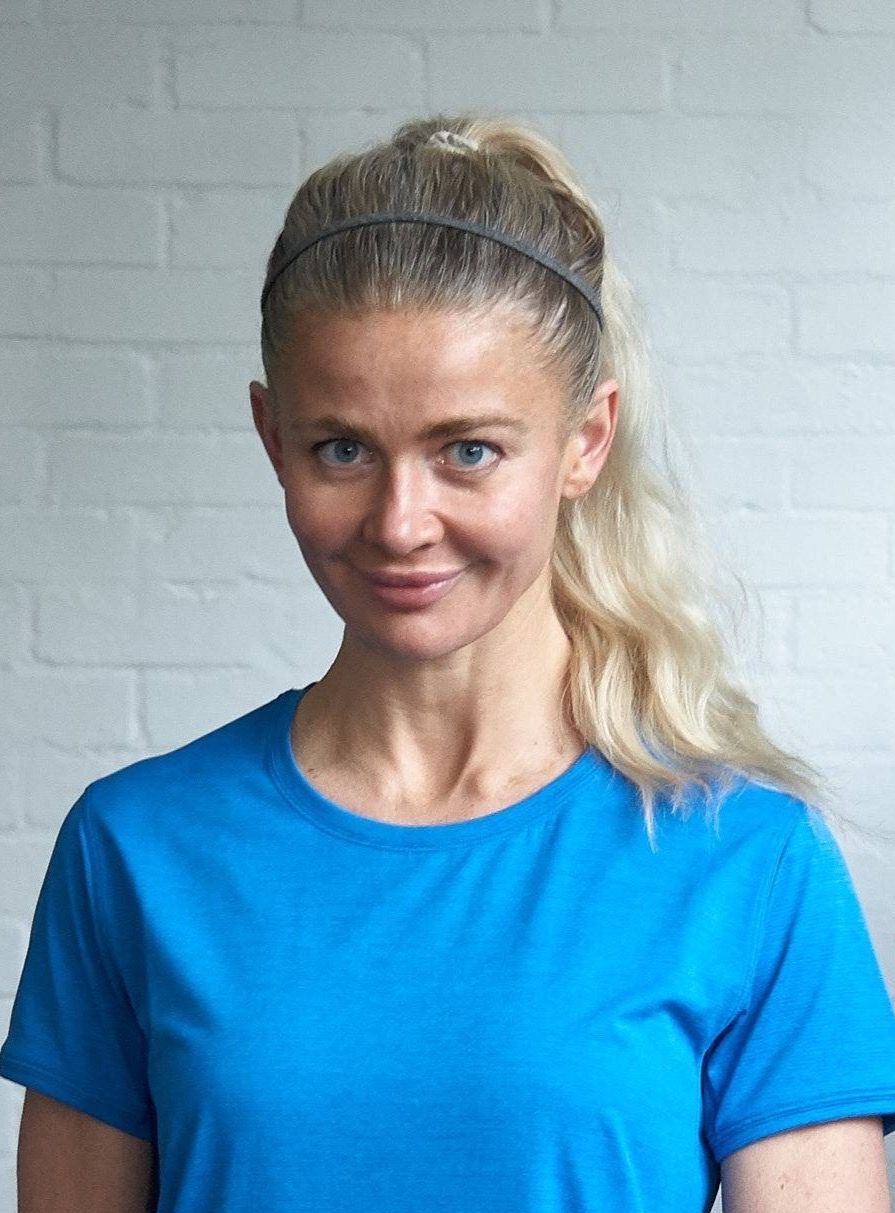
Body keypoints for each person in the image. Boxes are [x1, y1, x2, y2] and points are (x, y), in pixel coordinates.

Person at [1, 112, 894, 1213]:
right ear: (271, 435)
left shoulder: (744, 861)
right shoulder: (136, 847)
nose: (400, 521)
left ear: (584, 441)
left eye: (467, 450)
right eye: (343, 450)